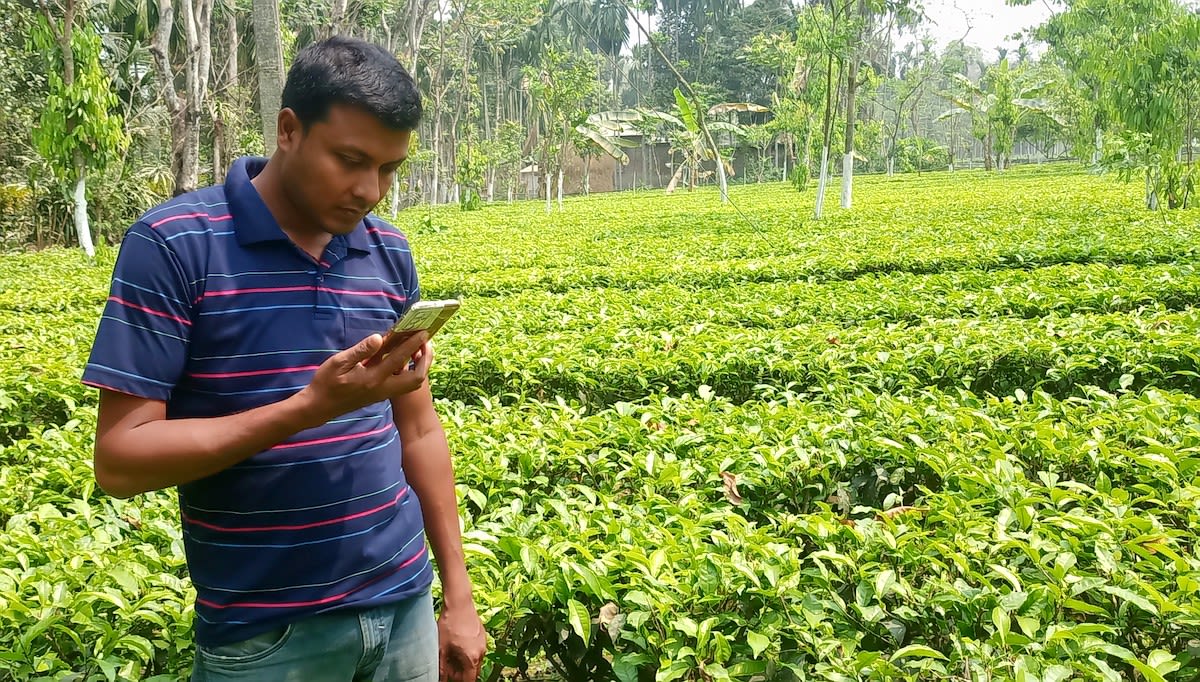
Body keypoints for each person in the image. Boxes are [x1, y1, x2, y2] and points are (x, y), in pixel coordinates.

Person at [81, 36, 487, 681]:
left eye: (389, 168)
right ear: (289, 130)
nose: (369, 190)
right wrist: (310, 408)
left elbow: (419, 428)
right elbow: (121, 459)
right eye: (350, 159)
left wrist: (457, 599)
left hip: (404, 604)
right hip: (267, 636)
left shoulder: (386, 251)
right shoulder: (174, 246)